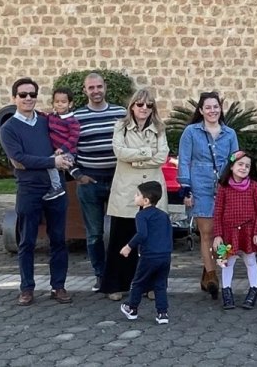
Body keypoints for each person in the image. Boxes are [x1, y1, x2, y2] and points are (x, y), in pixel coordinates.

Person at [0, 77, 74, 307]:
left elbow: (64, 141)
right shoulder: (9, 128)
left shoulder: (46, 121)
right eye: (23, 95)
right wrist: (53, 161)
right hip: (29, 190)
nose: (28, 98)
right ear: (14, 98)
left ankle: (58, 286)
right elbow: (19, 160)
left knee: (59, 240)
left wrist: (65, 156)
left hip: (56, 189)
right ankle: (27, 288)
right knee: (27, 241)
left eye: (32, 94)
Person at [101, 89, 169, 301]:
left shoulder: (159, 128)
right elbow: (119, 152)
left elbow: (162, 156)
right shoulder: (120, 127)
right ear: (132, 106)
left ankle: (150, 285)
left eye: (149, 105)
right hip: (127, 190)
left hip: (152, 190)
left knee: (151, 241)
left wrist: (136, 159)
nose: (144, 109)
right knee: (121, 238)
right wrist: (146, 153)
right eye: (140, 105)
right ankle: (115, 285)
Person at [178, 91, 240, 300]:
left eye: (216, 107)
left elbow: (235, 161)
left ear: (220, 109)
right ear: (201, 110)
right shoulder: (191, 132)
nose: (212, 111)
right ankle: (213, 277)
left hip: (223, 187)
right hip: (200, 185)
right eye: (208, 107)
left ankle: (209, 269)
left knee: (221, 233)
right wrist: (185, 188)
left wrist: (237, 186)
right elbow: (184, 159)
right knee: (207, 232)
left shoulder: (230, 134)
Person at [73, 72, 127, 292]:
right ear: (85, 91)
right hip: (89, 182)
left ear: (105, 87)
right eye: (91, 88)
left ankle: (119, 274)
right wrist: (77, 174)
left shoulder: (121, 113)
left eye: (99, 86)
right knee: (94, 233)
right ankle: (100, 274)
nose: (95, 91)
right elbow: (68, 149)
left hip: (118, 180)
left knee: (120, 232)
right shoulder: (76, 117)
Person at [213, 150, 257, 310]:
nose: (243, 168)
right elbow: (218, 212)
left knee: (250, 260)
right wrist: (217, 235)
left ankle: (253, 290)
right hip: (228, 232)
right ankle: (227, 292)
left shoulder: (254, 187)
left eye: (247, 166)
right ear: (232, 166)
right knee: (227, 262)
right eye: (240, 164)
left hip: (248, 231)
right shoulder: (223, 187)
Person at [118, 180, 171, 325]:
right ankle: (162, 313)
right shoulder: (163, 215)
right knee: (160, 284)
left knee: (138, 282)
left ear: (145, 200)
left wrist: (129, 246)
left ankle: (131, 307)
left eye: (137, 195)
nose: (134, 197)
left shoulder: (141, 215)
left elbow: (142, 234)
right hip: (165, 255)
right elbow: (168, 233)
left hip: (149, 255)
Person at [45, 88, 81, 201]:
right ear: (53, 103)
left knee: (50, 163)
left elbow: (74, 138)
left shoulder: (72, 121)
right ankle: (73, 170)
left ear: (70, 104)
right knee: (55, 163)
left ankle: (57, 187)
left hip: (68, 151)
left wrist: (63, 148)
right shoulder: (52, 117)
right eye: (57, 102)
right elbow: (43, 116)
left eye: (63, 102)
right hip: (57, 151)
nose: (60, 104)